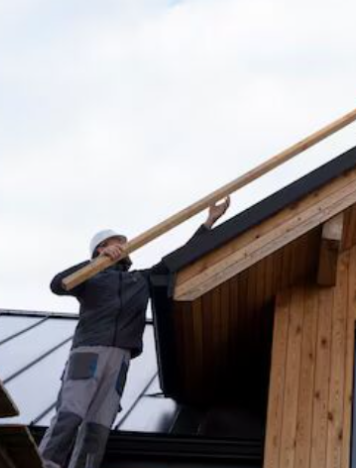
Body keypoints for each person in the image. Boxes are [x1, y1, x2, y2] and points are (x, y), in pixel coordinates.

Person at [38, 197, 231, 468]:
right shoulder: (90, 278)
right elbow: (57, 284)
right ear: (101, 249)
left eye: (123, 241)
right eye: (116, 241)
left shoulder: (139, 279)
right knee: (71, 411)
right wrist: (93, 264)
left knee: (99, 424)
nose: (123, 246)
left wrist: (208, 223)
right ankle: (46, 462)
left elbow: (178, 259)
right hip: (88, 351)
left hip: (120, 359)